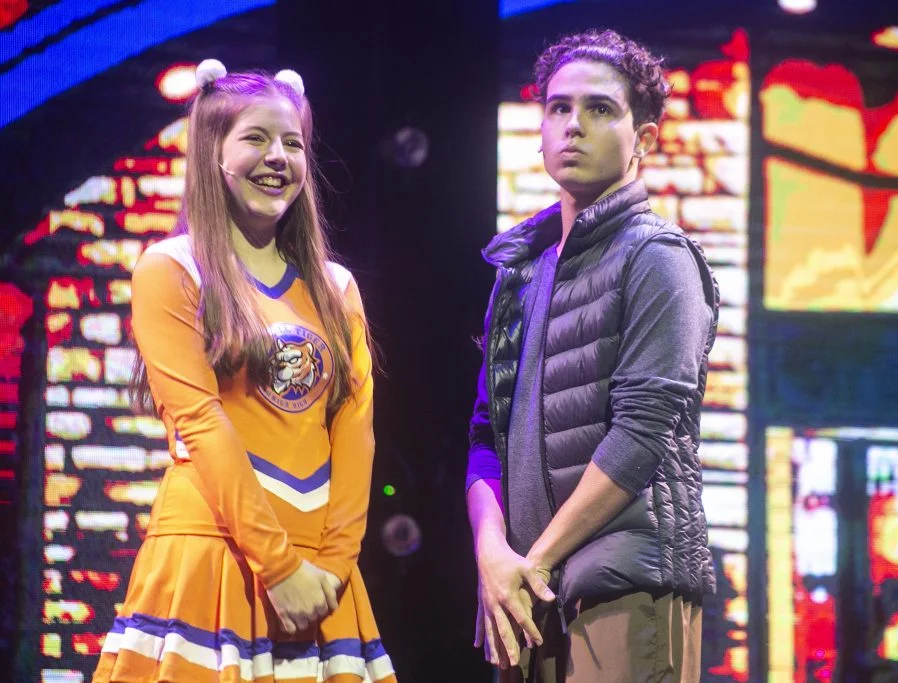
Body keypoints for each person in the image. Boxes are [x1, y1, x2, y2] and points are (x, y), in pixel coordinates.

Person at [91, 59, 396, 683]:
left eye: (293, 143)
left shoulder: (335, 286)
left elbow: (355, 429)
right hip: (215, 554)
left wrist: (332, 567)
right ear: (213, 152)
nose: (277, 157)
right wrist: (279, 568)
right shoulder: (172, 269)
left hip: (319, 576)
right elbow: (201, 422)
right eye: (256, 138)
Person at [466, 29, 720, 683]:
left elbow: (640, 435)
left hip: (624, 587)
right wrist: (492, 553)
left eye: (600, 108)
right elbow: (485, 437)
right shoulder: (520, 269)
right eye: (559, 107)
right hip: (527, 593)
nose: (573, 125)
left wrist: (535, 561)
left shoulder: (658, 257)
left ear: (645, 138)